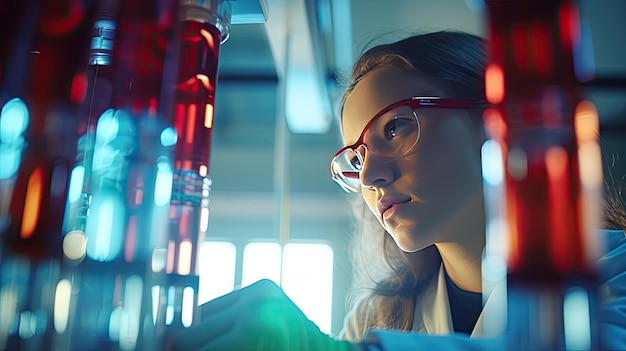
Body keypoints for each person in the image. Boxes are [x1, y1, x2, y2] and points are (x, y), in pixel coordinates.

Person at [171, 30, 626, 351]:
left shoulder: (613, 271)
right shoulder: (380, 316)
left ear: (494, 122)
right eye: (357, 158)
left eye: (395, 128)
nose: (369, 178)